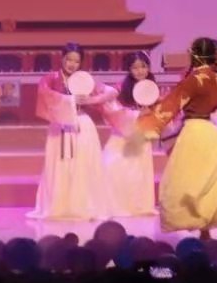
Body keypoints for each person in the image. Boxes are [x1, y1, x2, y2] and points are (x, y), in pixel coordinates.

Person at [137, 38, 217, 238]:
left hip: (198, 130)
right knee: (210, 178)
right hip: (210, 131)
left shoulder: (198, 78)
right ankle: (207, 226)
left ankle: (204, 226)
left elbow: (174, 105)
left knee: (196, 179)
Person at [28, 43, 115, 221]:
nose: (72, 64)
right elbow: (45, 95)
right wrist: (70, 100)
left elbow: (112, 92)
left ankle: (82, 206)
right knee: (59, 166)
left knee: (82, 165)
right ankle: (58, 207)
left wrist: (91, 100)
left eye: (76, 61)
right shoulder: (51, 78)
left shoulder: (84, 79)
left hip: (82, 125)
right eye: (69, 59)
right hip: (59, 127)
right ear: (62, 58)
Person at [101, 51, 158, 217]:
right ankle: (116, 207)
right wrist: (137, 114)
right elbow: (111, 111)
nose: (140, 71)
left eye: (143, 66)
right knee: (114, 170)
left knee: (138, 174)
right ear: (129, 69)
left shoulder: (152, 88)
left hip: (141, 138)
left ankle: (138, 206)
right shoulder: (120, 89)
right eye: (135, 68)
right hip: (121, 138)